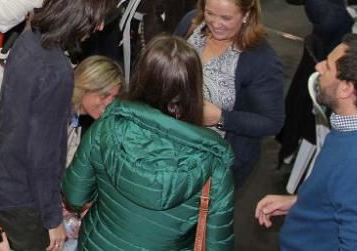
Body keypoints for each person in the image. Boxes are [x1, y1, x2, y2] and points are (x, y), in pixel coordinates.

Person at [0, 0, 119, 251]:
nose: (101, 26)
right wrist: (52, 219)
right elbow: (41, 156)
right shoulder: (56, 72)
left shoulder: (30, 37)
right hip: (22, 195)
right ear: (79, 14)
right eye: (97, 17)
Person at [62, 35, 235, 250]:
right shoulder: (214, 165)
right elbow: (217, 244)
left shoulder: (106, 127)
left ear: (141, 78)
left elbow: (75, 196)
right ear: (193, 88)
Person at [255, 35, 357, 251]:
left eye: (327, 66)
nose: (318, 66)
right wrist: (302, 202)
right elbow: (343, 194)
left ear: (346, 89)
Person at [175, 0, 284, 185]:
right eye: (210, 13)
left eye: (226, 18)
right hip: (173, 141)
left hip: (214, 162)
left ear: (246, 15)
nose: (216, 24)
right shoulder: (191, 25)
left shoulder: (261, 59)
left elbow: (272, 122)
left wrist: (221, 118)